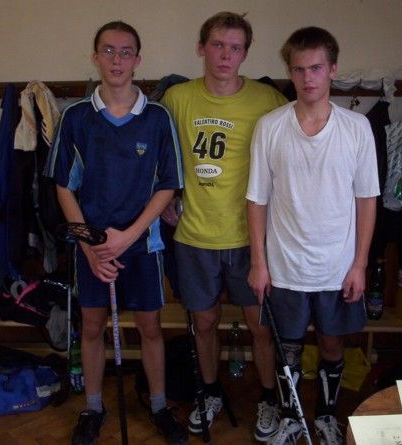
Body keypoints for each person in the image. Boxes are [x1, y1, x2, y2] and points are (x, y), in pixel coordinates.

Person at [45, 21, 187, 445]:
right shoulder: (76, 117)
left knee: (150, 328)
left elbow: (168, 186)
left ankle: (159, 406)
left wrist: (127, 237)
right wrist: (91, 247)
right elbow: (63, 187)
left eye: (126, 52)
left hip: (142, 245)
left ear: (137, 60)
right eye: (108, 51)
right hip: (92, 248)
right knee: (92, 327)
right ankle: (92, 407)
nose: (117, 60)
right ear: (95, 57)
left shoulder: (157, 118)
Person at [247, 27, 379, 445]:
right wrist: (258, 262)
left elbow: (366, 200)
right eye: (299, 69)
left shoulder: (357, 128)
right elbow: (256, 199)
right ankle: (291, 419)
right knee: (286, 349)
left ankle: (325, 416)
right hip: (284, 265)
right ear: (290, 71)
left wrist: (359, 264)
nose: (308, 78)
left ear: (333, 69)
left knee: (332, 345)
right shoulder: (270, 127)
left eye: (316, 68)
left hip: (337, 267)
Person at [160, 11, 288, 442]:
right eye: (217, 45)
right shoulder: (177, 98)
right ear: (202, 48)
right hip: (194, 236)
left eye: (235, 48)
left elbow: (289, 162)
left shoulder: (268, 100)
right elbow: (160, 156)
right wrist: (165, 199)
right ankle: (210, 393)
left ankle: (268, 399)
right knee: (204, 322)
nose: (225, 55)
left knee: (261, 326)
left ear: (245, 54)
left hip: (251, 238)